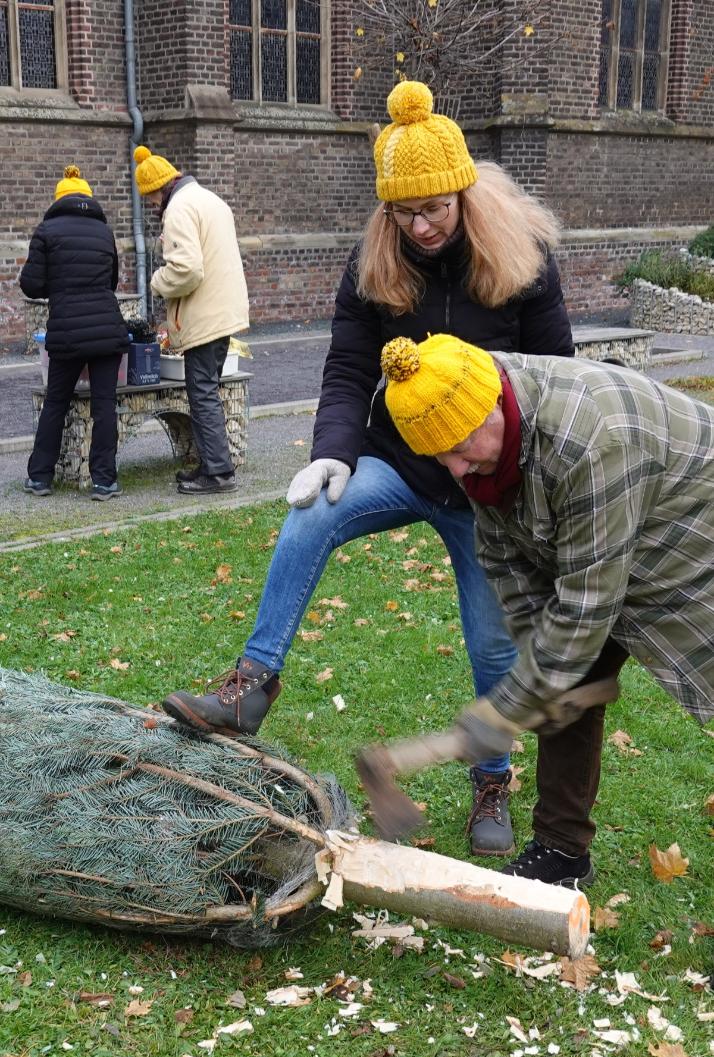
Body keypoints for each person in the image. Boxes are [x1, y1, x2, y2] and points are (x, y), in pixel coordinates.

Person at [162, 80, 575, 858]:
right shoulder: (376, 259)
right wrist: (331, 451)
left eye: (435, 209)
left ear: (461, 194)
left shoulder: (521, 258)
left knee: (492, 643)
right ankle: (251, 685)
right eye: (404, 212)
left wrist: (526, 478)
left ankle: (492, 778)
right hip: (398, 461)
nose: (421, 226)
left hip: (486, 484)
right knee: (310, 515)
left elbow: (556, 376)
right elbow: (349, 365)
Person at [377, 330, 714, 885]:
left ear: (494, 409)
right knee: (559, 671)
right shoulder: (470, 407)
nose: (455, 469)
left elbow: (585, 609)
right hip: (608, 530)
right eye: (439, 457)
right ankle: (561, 851)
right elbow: (507, 558)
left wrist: (505, 709)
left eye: (460, 448)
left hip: (690, 525)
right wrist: (540, 679)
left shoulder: (588, 440)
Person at [133, 145, 249, 495]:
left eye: (149, 199)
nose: (152, 206)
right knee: (206, 391)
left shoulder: (178, 209)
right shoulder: (209, 199)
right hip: (224, 311)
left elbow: (187, 270)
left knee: (202, 395)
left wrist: (157, 282)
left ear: (156, 189)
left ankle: (217, 473)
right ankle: (212, 465)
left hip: (205, 315)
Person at [21, 165, 129, 501]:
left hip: (67, 330)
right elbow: (111, 281)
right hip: (106, 328)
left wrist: (59, 285)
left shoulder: (46, 231)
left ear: (59, 199)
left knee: (56, 402)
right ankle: (104, 481)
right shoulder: (104, 232)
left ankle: (40, 478)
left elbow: (31, 284)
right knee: (104, 405)